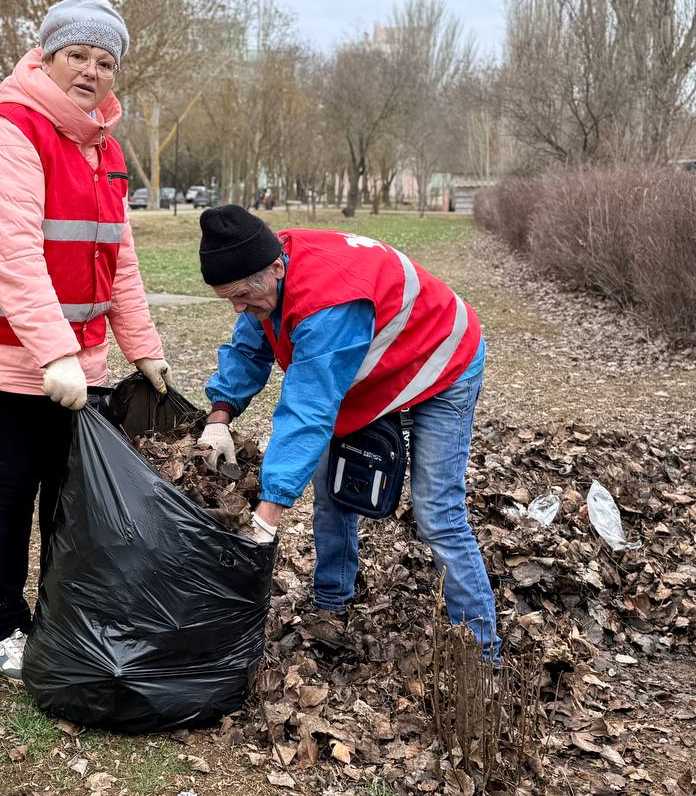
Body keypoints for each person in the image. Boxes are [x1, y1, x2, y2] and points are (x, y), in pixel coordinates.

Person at [0, 0, 170, 679]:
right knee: (10, 487)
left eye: (105, 61)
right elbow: (12, 257)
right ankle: (1, 626)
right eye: (77, 55)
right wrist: (56, 352)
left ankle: (56, 614)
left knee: (63, 495)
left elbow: (119, 260)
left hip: (73, 365)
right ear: (46, 56)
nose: (91, 71)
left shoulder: (103, 149)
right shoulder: (9, 132)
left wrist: (143, 348)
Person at [195, 206, 497, 658]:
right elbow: (248, 348)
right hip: (368, 363)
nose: (238, 307)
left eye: (241, 295)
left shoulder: (327, 302)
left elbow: (308, 410)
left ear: (276, 268)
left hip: (442, 359)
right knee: (331, 489)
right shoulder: (263, 269)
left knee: (437, 513)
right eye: (229, 299)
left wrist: (266, 516)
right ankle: (331, 605)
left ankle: (483, 655)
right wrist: (220, 415)